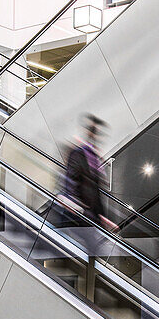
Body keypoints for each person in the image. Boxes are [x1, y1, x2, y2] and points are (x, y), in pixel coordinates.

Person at [61, 115, 118, 299]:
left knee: (94, 251)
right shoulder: (78, 154)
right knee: (88, 250)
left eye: (97, 133)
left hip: (91, 216)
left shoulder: (95, 159)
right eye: (93, 131)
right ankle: (81, 293)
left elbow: (96, 191)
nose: (95, 135)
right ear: (87, 132)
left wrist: (103, 216)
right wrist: (74, 202)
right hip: (79, 214)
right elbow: (71, 180)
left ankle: (87, 294)